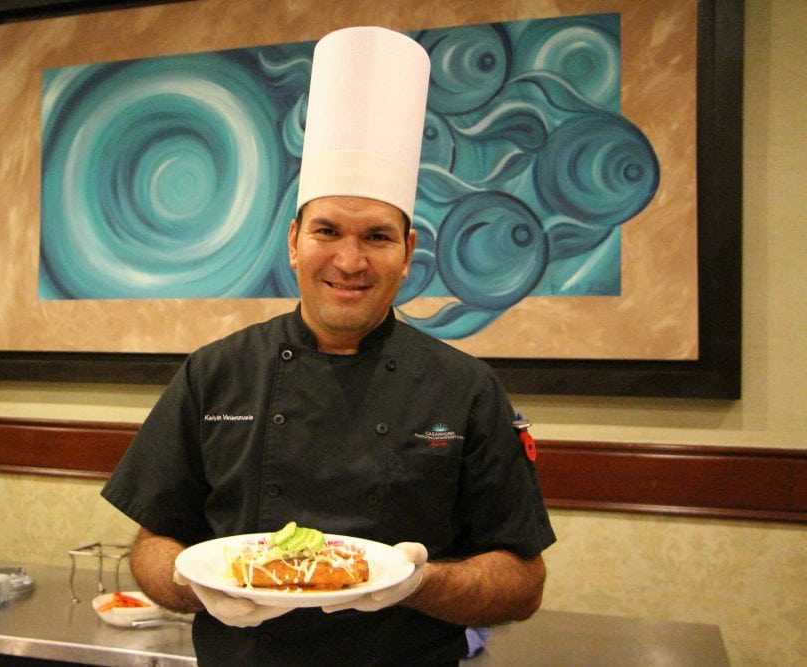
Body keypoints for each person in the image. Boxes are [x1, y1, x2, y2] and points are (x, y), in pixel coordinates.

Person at [102, 26, 555, 666]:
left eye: (376, 236)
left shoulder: (466, 389)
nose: (349, 260)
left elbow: (522, 582)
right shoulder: (216, 373)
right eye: (327, 230)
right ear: (293, 242)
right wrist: (191, 583)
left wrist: (420, 583)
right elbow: (151, 544)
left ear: (407, 255)